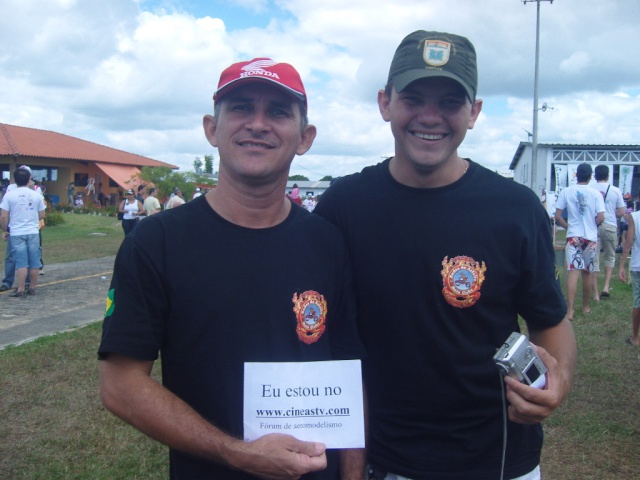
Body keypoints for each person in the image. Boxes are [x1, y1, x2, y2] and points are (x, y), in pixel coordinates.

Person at [314, 30, 576, 480]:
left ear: (473, 113)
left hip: (496, 458)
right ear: (385, 103)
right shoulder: (343, 206)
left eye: (451, 103)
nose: (430, 117)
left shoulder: (514, 209)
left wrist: (559, 381)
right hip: (381, 457)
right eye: (413, 98)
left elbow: (550, 321)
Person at [98, 57, 365, 479]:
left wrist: (352, 475)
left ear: (304, 137)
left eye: (278, 112)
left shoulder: (328, 243)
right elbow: (120, 384)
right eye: (241, 107)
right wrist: (236, 452)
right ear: (211, 128)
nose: (258, 124)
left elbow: (350, 369)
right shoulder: (155, 243)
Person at [555, 163, 605, 320]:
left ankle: (570, 310)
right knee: (587, 273)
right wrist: (592, 224)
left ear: (576, 175)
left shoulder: (566, 191)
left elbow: (557, 216)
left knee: (572, 272)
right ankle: (585, 306)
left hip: (573, 236)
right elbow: (601, 217)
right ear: (591, 176)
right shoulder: (595, 194)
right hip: (589, 237)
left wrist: (568, 226)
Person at [0, 167, 46, 297]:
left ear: (15, 180)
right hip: (32, 231)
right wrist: (31, 219)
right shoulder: (36, 194)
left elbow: (3, 216)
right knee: (34, 261)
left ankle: (20, 289)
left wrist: (5, 229)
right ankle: (32, 287)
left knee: (21, 262)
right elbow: (42, 214)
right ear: (29, 179)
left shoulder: (9, 195)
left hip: (16, 232)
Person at [591, 165, 625, 299]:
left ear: (595, 175)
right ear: (608, 175)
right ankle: (605, 286)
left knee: (594, 259)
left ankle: (595, 293)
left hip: (593, 226)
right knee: (610, 256)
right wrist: (611, 213)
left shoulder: (590, 189)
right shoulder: (615, 191)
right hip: (610, 225)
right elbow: (622, 211)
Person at [618, 209, 640, 346]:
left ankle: (635, 337)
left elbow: (628, 242)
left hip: (638, 265)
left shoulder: (635, 217)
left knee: (638, 301)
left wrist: (621, 265)